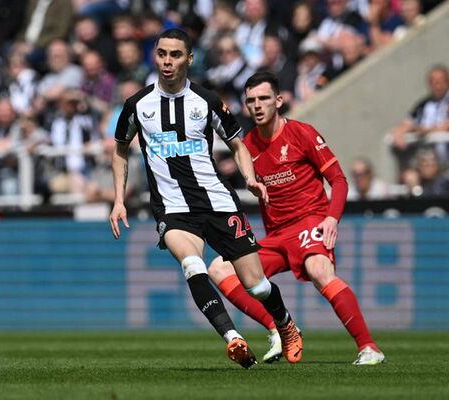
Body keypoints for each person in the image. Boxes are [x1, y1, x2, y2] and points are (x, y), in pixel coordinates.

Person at [109, 29, 303, 369]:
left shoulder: (208, 101)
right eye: (162, 54)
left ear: (190, 59)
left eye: (175, 55)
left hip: (218, 202)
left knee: (256, 286)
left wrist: (249, 178)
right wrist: (118, 200)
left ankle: (286, 324)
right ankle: (233, 339)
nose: (167, 62)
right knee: (192, 264)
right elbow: (120, 151)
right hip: (172, 208)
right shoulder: (137, 105)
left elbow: (238, 143)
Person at [208, 71, 385, 365]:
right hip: (276, 235)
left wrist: (331, 219)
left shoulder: (302, 133)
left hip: (309, 222)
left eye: (264, 98)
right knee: (218, 269)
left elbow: (338, 180)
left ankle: (369, 347)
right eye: (251, 100)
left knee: (318, 270)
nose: (257, 105)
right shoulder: (248, 146)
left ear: (278, 101)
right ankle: (280, 330)